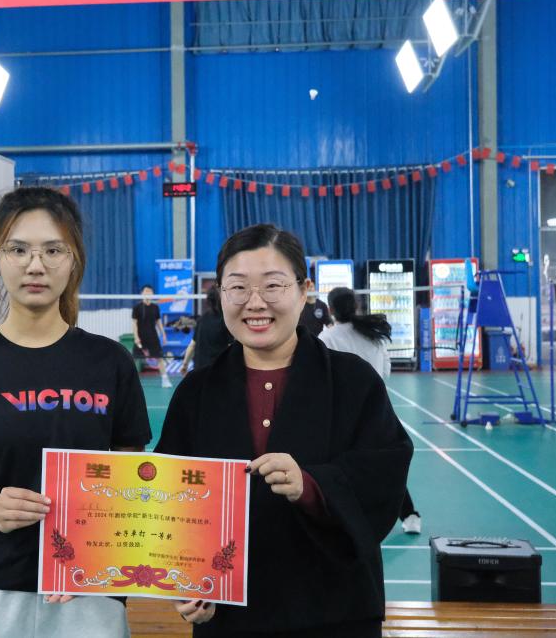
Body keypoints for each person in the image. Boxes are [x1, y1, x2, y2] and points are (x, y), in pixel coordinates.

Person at [0, 187, 152, 638]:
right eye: (18, 249)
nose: (35, 265)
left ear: (74, 259)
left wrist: (94, 557)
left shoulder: (110, 364)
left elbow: (131, 483)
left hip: (87, 590)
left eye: (53, 250)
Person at [156, 224, 413, 637]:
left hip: (336, 612)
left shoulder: (354, 381)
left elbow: (384, 474)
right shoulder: (196, 392)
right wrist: (184, 583)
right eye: (238, 287)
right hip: (229, 617)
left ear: (304, 290)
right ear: (220, 294)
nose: (255, 302)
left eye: (273, 285)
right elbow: (169, 500)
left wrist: (310, 485)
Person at [320, 287, 421, 535]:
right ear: (355, 307)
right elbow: (385, 370)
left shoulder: (327, 338)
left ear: (331, 310)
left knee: (339, 467)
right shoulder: (372, 335)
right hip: (377, 409)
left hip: (343, 416)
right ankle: (410, 515)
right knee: (385, 465)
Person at [179, 285, 233, 375]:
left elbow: (192, 345)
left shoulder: (201, 319)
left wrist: (185, 365)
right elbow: (232, 348)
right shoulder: (226, 320)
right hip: (218, 371)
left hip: (200, 370)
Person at [132, 284, 172, 387]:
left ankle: (165, 380)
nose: (148, 293)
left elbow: (158, 322)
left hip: (153, 336)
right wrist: (136, 337)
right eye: (146, 291)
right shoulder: (137, 307)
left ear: (153, 293)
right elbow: (134, 324)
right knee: (134, 359)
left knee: (159, 358)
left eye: (150, 291)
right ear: (142, 293)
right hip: (141, 337)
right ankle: (130, 381)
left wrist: (163, 335)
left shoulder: (155, 307)